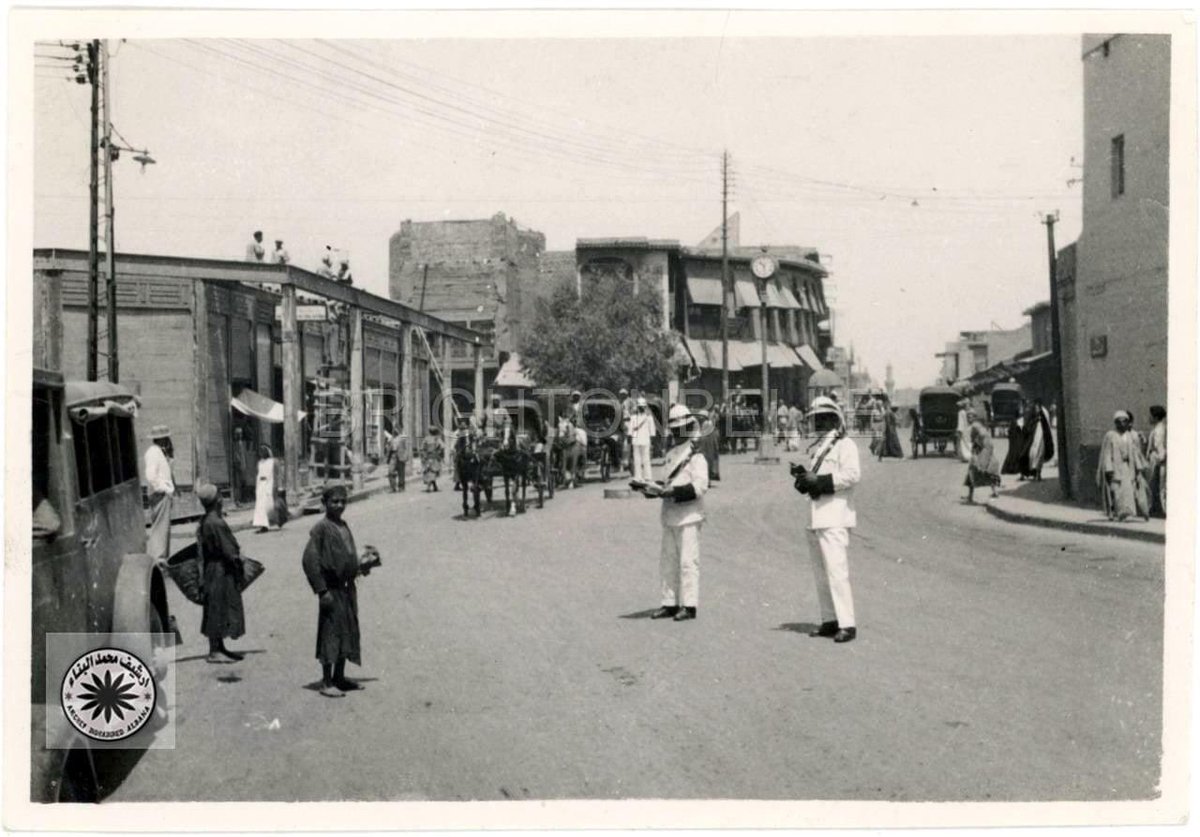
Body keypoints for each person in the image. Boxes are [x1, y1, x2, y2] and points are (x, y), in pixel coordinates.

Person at [793, 396, 860, 644]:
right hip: (816, 516)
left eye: (822, 418)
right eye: (815, 419)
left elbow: (852, 476)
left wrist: (819, 481)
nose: (817, 423)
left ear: (834, 419)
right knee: (821, 574)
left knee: (836, 572)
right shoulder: (819, 448)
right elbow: (814, 482)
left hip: (835, 516)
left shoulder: (846, 445)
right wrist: (803, 479)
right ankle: (830, 620)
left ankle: (847, 623)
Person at [301, 484, 366, 697]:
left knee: (346, 632)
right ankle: (327, 681)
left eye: (343, 501)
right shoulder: (321, 528)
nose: (339, 505)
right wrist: (322, 590)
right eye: (334, 501)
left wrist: (361, 564)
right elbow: (310, 560)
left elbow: (347, 554)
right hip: (331, 590)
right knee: (331, 633)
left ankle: (340, 676)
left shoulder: (343, 525)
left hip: (347, 589)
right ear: (324, 503)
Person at [649, 404, 709, 622]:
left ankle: (689, 605)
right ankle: (669, 603)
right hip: (670, 515)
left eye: (680, 428)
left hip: (689, 516)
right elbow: (666, 481)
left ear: (688, 427)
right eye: (673, 429)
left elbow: (700, 486)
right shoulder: (671, 454)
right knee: (668, 562)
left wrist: (673, 492)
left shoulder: (695, 455)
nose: (676, 433)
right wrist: (651, 488)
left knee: (687, 562)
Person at [195, 483, 247, 665]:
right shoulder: (215, 522)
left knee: (219, 607)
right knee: (217, 608)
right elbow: (228, 549)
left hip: (214, 570)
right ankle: (214, 651)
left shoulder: (207, 520)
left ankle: (220, 648)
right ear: (218, 500)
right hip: (219, 571)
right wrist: (238, 559)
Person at [1097, 411, 1150, 521]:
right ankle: (1118, 512)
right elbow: (1107, 453)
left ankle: (1126, 512)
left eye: (1124, 422)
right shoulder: (1111, 435)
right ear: (1115, 423)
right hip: (1115, 467)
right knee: (1116, 491)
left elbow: (1135, 453)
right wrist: (1109, 469)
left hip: (1127, 466)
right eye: (1119, 422)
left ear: (1127, 423)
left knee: (1128, 490)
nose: (1122, 424)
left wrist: (1138, 468)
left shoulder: (1130, 436)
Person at [143, 425, 175, 561]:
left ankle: (162, 557)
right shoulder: (153, 453)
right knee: (160, 527)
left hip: (163, 493)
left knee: (164, 526)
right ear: (161, 439)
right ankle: (158, 557)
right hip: (160, 493)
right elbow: (151, 476)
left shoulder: (159, 452)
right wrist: (164, 488)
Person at [963, 410, 1002, 503]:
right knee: (988, 472)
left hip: (983, 450)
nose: (969, 419)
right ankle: (994, 492)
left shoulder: (974, 427)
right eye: (968, 417)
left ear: (974, 417)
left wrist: (974, 453)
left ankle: (970, 496)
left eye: (971, 417)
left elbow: (975, 441)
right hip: (987, 449)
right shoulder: (979, 425)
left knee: (973, 470)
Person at [253, 445, 286, 532]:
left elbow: (279, 475)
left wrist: (280, 486)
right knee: (260, 507)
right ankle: (264, 526)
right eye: (260, 451)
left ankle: (277, 521)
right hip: (261, 486)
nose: (261, 453)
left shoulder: (274, 461)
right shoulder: (260, 463)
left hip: (270, 486)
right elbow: (258, 475)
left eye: (263, 451)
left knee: (270, 506)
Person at [1020, 399, 1055, 481]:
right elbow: (1028, 427)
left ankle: (1038, 474)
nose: (1035, 408)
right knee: (1032, 455)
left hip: (1041, 440)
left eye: (1037, 406)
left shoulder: (1043, 415)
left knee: (1039, 455)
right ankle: (1033, 473)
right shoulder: (1034, 416)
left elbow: (1047, 427)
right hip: (1034, 441)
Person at [628, 396, 655, 481]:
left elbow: (630, 431)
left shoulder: (633, 417)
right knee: (645, 459)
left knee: (638, 459)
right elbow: (652, 432)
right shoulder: (649, 418)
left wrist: (630, 439)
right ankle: (647, 476)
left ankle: (639, 476)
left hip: (637, 440)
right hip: (644, 440)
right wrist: (652, 440)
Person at [1147, 405, 1167, 517]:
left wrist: (1160, 459)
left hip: (1156, 459)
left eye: (1150, 416)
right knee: (1159, 487)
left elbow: (1159, 445)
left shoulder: (1159, 430)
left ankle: (1158, 509)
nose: (1149, 418)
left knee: (1157, 486)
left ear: (1155, 417)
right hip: (1157, 459)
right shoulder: (1158, 428)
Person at [1001, 402, 1028, 477]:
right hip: (1016, 440)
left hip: (1021, 439)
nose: (1022, 411)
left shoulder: (1024, 419)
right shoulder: (1014, 421)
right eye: (1020, 409)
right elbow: (1011, 432)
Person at [694, 408, 721, 483]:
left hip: (707, 446)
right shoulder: (706, 423)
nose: (700, 418)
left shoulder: (707, 424)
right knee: (707, 463)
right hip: (708, 445)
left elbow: (703, 435)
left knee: (707, 463)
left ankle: (707, 480)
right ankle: (707, 479)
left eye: (701, 417)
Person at [420, 427, 444, 492]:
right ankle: (430, 487)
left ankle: (433, 487)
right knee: (432, 471)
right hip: (434, 457)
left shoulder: (426, 439)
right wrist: (439, 452)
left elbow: (422, 448)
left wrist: (423, 456)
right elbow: (442, 447)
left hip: (428, 456)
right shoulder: (437, 439)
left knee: (430, 471)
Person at [386, 425, 409, 493]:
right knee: (390, 471)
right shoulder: (391, 439)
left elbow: (407, 446)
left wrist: (406, 456)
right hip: (393, 455)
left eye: (396, 429)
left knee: (401, 472)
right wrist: (388, 443)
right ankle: (392, 487)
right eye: (393, 430)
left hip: (401, 455)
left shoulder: (402, 438)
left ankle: (401, 487)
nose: (395, 431)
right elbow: (388, 448)